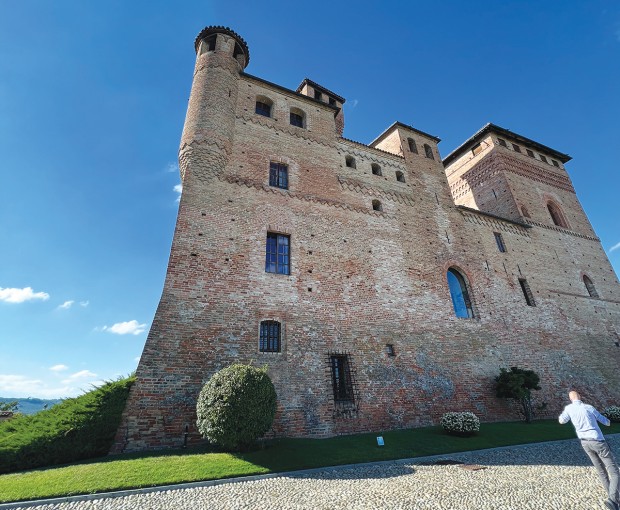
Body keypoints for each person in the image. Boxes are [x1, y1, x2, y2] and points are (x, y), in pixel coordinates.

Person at [559, 390, 620, 510]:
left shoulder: (569, 409)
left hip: (585, 443)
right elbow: (605, 422)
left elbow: (562, 421)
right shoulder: (588, 407)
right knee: (614, 472)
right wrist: (608, 421)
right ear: (580, 397)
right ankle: (613, 499)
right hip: (598, 441)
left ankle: (613, 501)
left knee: (601, 471)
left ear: (570, 399)